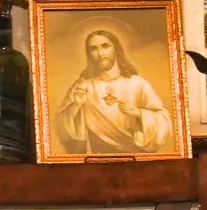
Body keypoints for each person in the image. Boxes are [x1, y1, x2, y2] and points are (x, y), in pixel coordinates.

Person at [51, 24, 173, 156]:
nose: (100, 53)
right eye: (93, 49)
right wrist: (76, 105)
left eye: (105, 46)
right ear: (89, 54)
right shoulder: (83, 86)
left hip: (135, 158)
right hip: (97, 157)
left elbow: (163, 120)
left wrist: (139, 113)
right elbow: (61, 128)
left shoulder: (137, 84)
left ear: (116, 49)